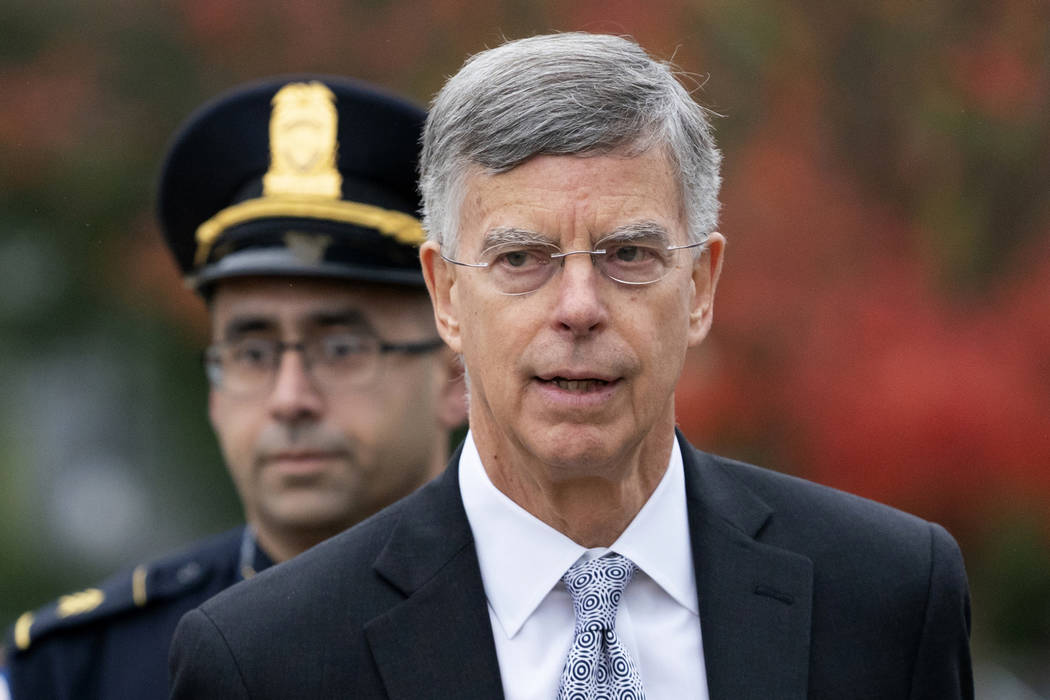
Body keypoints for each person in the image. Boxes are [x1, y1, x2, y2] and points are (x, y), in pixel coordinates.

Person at [168, 33, 973, 699]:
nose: (579, 306)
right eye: (522, 259)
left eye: (628, 254)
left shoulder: (888, 594)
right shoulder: (266, 660)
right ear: (445, 294)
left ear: (700, 286)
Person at [2, 75, 465, 700]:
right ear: (216, 392)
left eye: (341, 348)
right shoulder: (80, 670)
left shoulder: (539, 629)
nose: (290, 397)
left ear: (457, 374)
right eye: (252, 352)